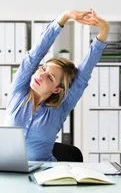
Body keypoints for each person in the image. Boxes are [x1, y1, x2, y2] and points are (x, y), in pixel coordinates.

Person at [6, 9, 109, 161]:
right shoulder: (19, 91)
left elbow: (83, 75)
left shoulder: (60, 108)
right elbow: (34, 55)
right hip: (8, 171)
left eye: (50, 77)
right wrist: (65, 17)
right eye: (43, 68)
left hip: (45, 175)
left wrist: (104, 28)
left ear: (57, 89)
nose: (40, 75)